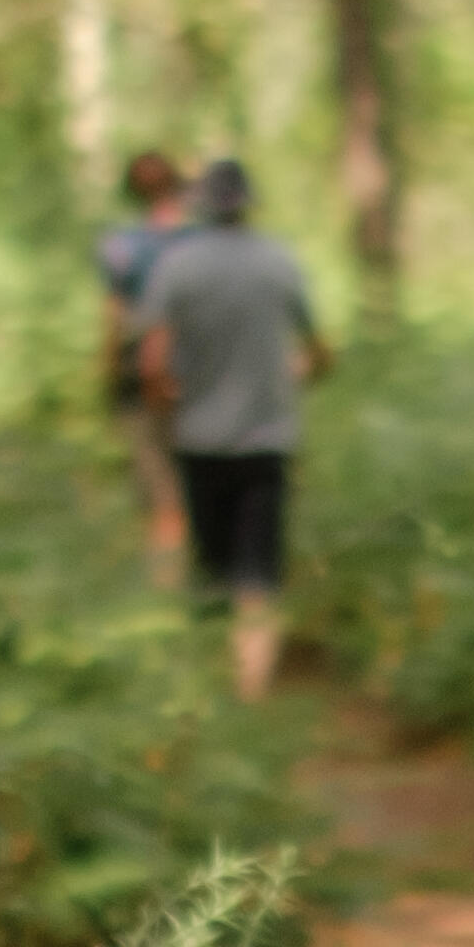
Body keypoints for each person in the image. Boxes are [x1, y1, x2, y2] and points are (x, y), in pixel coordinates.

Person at [135, 153, 328, 700]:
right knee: (259, 574)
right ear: (249, 207)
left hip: (199, 440)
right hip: (268, 440)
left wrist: (165, 404)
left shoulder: (178, 266)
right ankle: (252, 687)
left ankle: (211, 683)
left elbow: (152, 361)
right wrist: (296, 374)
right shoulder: (281, 262)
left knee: (211, 566)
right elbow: (317, 350)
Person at [94, 148, 193, 569]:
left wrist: (110, 368)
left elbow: (115, 314)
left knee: (157, 481)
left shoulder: (120, 246)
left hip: (141, 371)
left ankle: (169, 574)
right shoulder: (203, 239)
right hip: (199, 370)